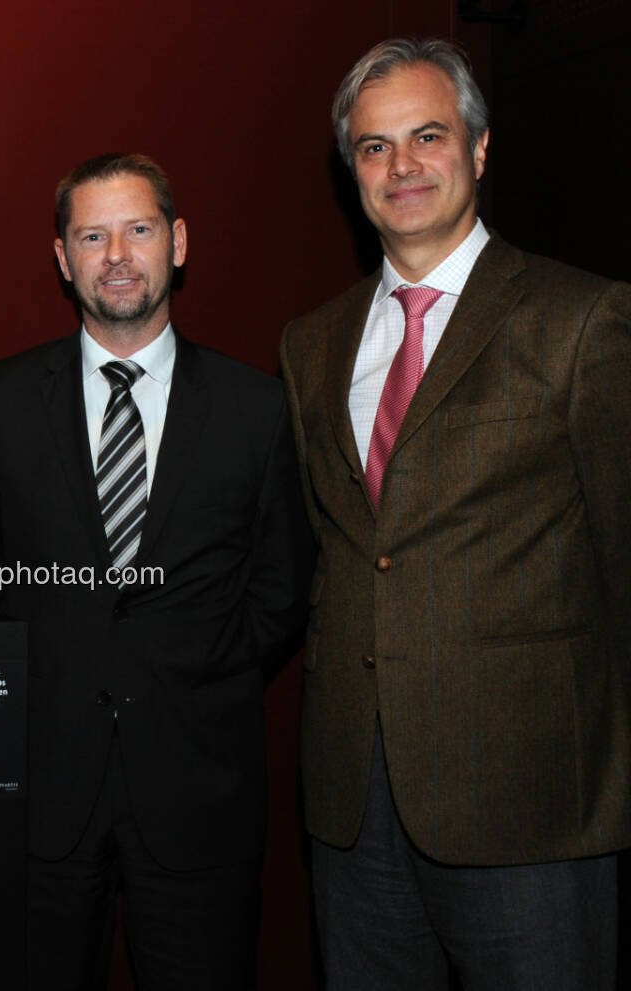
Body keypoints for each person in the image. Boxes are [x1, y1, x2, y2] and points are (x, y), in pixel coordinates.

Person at [280, 38, 631, 990]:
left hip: (534, 804)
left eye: (427, 136)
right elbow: (333, 550)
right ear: (350, 169)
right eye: (374, 146)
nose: (402, 166)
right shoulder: (310, 346)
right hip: (354, 805)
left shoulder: (583, 319)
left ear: (478, 150)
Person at [0, 153, 312, 989]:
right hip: (41, 794)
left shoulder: (256, 410)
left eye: (138, 230)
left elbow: (282, 590)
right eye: (93, 235)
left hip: (199, 793)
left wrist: (198, 668)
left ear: (177, 242)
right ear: (63, 257)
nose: (117, 254)